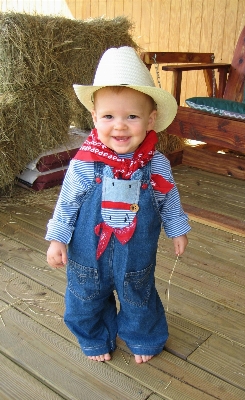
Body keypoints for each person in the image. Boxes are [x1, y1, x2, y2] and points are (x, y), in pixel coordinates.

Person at [46, 46, 191, 364]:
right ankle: (94, 337)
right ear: (95, 117)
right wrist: (58, 239)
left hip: (136, 256)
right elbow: (67, 202)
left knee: (139, 297)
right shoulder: (84, 163)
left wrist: (177, 230)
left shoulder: (156, 164)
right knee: (85, 299)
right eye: (109, 116)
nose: (120, 125)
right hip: (88, 256)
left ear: (151, 119)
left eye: (132, 116)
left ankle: (143, 337)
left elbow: (169, 200)